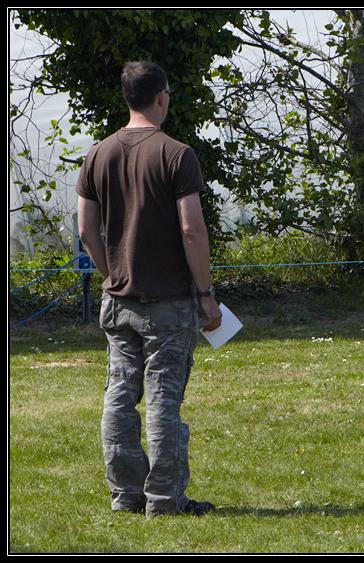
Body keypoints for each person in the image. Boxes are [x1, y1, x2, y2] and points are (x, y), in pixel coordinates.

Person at [76, 61, 222, 517]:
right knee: (163, 401)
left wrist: (110, 272)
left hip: (118, 301)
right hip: (170, 303)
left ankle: (125, 495)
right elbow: (191, 229)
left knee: (119, 397)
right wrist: (206, 292)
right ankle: (164, 499)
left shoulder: (98, 153)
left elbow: (86, 230)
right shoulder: (177, 154)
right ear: (161, 96)